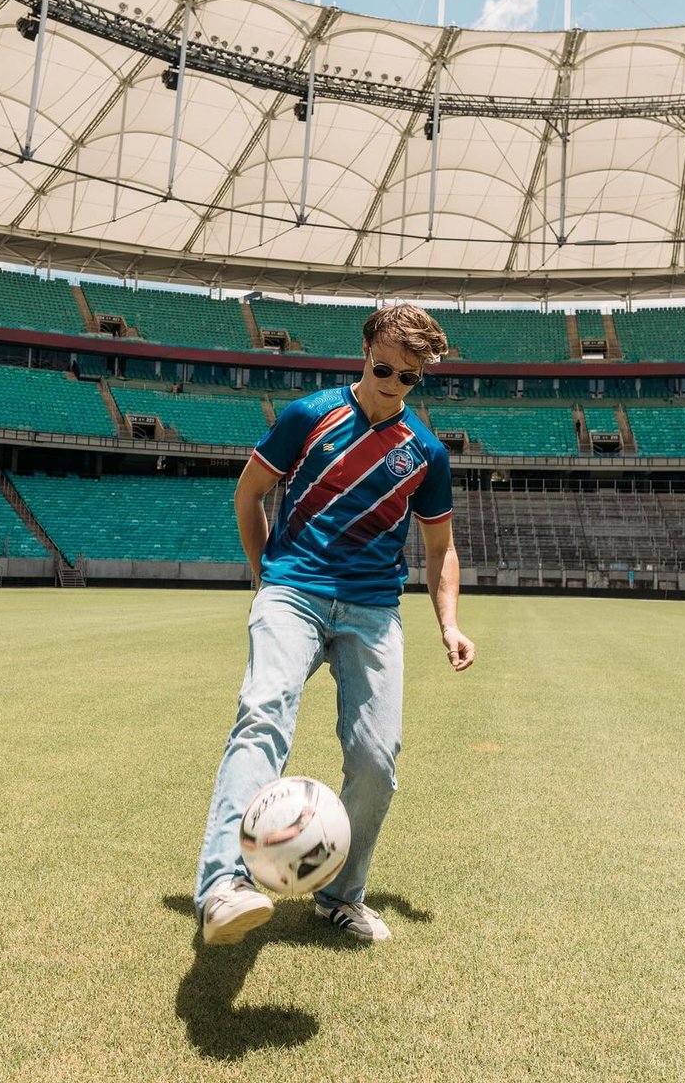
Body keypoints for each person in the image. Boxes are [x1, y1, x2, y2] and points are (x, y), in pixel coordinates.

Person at [194, 303, 476, 946]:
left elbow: (441, 551)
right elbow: (248, 495)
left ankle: (340, 894)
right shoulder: (307, 416)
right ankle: (222, 888)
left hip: (374, 609)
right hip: (293, 591)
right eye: (384, 368)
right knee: (263, 712)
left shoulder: (426, 454)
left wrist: (449, 624)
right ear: (364, 351)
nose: (392, 384)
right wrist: (264, 575)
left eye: (409, 377)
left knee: (377, 760)